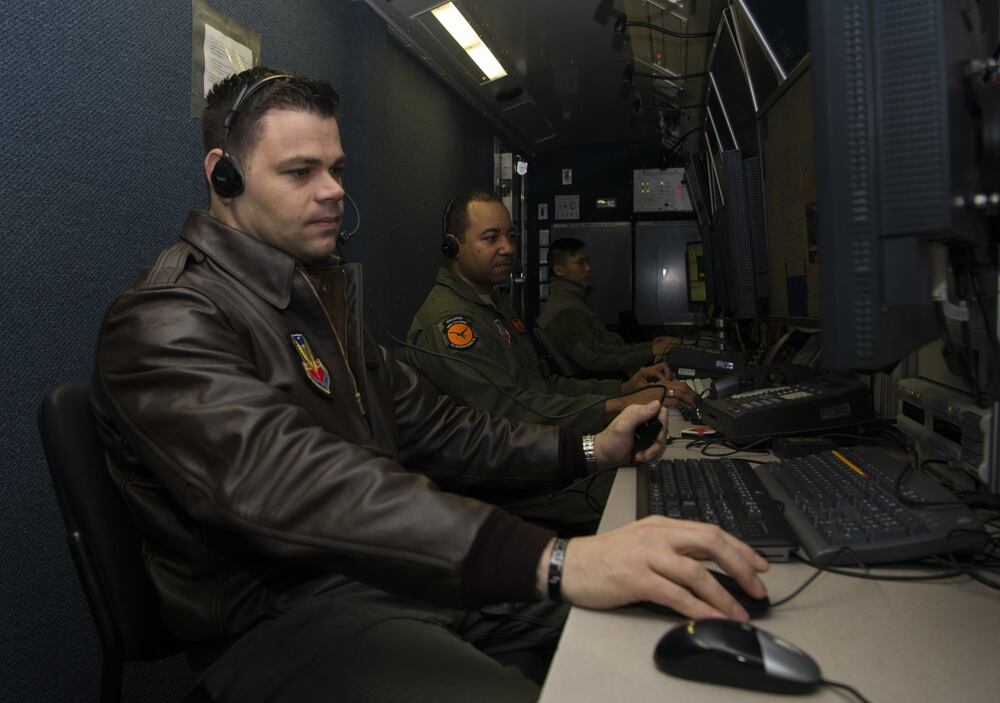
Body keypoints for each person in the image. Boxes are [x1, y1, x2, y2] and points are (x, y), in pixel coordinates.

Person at [90, 67, 768, 703]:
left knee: (656, 616)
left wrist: (591, 448)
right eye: (300, 171)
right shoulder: (164, 319)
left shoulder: (317, 302)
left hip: (387, 577)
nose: (332, 190)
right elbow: (291, 484)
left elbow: (443, 428)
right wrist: (557, 560)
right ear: (225, 175)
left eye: (336, 169)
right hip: (281, 618)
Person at [403, 191, 694, 435]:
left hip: (533, 448)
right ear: (453, 246)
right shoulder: (449, 324)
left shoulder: (493, 306)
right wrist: (619, 404)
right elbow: (508, 411)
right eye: (491, 238)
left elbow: (544, 386)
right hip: (502, 478)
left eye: (511, 236)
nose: (507, 248)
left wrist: (623, 388)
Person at [537, 237, 682, 379]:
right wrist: (650, 352)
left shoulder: (574, 302)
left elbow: (606, 349)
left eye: (587, 261)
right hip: (600, 384)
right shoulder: (566, 311)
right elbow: (594, 359)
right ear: (559, 270)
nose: (588, 268)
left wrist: (651, 347)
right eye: (580, 263)